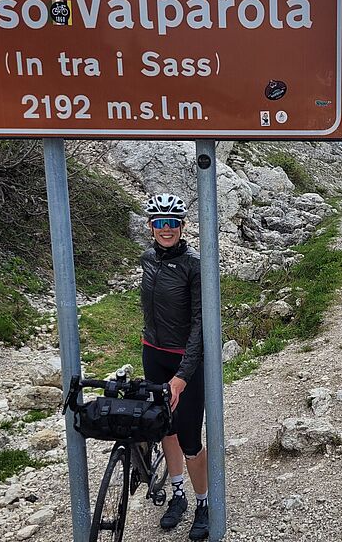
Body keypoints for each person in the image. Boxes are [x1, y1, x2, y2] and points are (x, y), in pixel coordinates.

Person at [140, 193, 209, 540]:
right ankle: (178, 493)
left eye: (172, 224)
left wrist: (182, 376)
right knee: (164, 428)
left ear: (182, 227)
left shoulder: (194, 264)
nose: (166, 229)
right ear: (151, 227)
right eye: (159, 223)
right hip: (153, 352)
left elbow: (200, 325)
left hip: (187, 359)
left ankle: (204, 503)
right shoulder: (147, 258)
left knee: (189, 436)